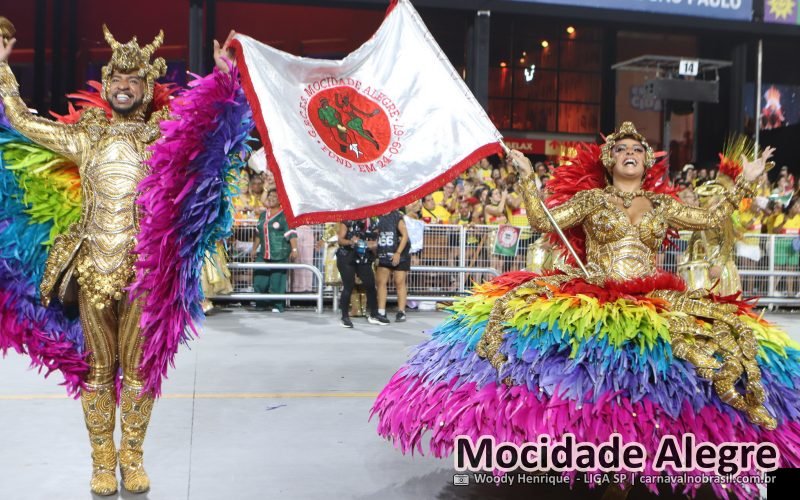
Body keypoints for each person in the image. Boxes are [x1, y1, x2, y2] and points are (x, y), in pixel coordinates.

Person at [372, 122, 800, 498]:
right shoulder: (593, 200)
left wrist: (747, 181)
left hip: (654, 297)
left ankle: (645, 458)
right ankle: (583, 455)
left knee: (689, 362)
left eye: (637, 150)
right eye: (621, 149)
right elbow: (543, 221)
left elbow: (708, 219)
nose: (630, 154)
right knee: (581, 374)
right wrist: (525, 180)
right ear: (609, 159)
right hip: (595, 294)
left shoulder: (664, 205)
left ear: (648, 161)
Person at [0, 22, 248, 495]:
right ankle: (100, 462)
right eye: (117, 79)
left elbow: (210, 135)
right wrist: (3, 70)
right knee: (97, 371)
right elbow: (24, 123)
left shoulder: (162, 136)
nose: (124, 87)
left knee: (136, 372)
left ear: (147, 88)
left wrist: (224, 80)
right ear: (107, 85)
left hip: (144, 274)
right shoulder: (87, 137)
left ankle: (131, 458)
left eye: (134, 81)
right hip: (93, 268)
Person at [250, 189, 297, 312]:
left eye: (274, 197)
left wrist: (294, 249)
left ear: (281, 200)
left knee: (278, 281)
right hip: (263, 253)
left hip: (279, 253)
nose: (271, 198)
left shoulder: (285, 215)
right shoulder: (262, 215)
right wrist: (254, 249)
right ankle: (261, 304)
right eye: (269, 196)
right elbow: (258, 234)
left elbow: (291, 233)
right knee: (260, 279)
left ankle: (278, 305)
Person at [336, 219, 388, 328]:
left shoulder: (373, 223)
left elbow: (376, 242)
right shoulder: (347, 221)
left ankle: (374, 314)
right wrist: (351, 242)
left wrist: (374, 246)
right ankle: (344, 317)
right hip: (346, 257)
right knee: (348, 286)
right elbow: (340, 240)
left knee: (370, 285)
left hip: (364, 259)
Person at [374, 209, 410, 322]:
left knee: (399, 282)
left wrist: (398, 253)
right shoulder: (376, 216)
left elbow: (405, 235)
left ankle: (401, 311)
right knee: (381, 282)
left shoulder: (397, 216)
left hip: (400, 253)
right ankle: (381, 311)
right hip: (384, 253)